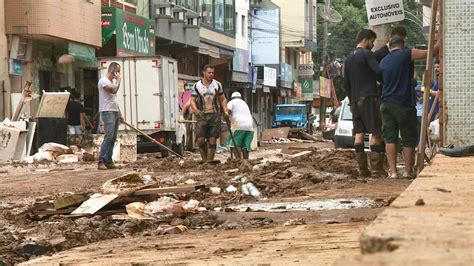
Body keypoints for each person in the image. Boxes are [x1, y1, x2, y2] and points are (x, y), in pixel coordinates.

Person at [379, 36, 439, 179]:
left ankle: (393, 172)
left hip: (386, 104)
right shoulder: (406, 54)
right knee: (408, 139)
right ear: (402, 45)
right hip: (403, 104)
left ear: (390, 47)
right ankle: (407, 171)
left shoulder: (384, 61)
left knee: (390, 139)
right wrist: (440, 38)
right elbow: (431, 52)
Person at [344, 29, 385, 177]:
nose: (373, 45)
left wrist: (351, 99)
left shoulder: (348, 59)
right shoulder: (367, 54)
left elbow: (346, 83)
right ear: (366, 40)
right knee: (376, 132)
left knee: (359, 133)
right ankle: (376, 170)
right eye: (372, 41)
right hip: (369, 97)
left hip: (354, 100)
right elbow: (379, 71)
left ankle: (362, 170)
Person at [190, 64, 229, 163]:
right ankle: (204, 158)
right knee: (200, 140)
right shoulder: (197, 86)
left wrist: (225, 111)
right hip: (202, 115)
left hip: (214, 115)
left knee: (212, 139)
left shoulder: (217, 85)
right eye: (209, 72)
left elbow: (223, 99)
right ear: (204, 73)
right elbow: (192, 100)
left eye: (212, 73)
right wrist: (196, 110)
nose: (211, 74)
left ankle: (209, 160)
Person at [97, 62, 124, 170]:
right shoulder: (103, 81)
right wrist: (118, 80)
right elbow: (114, 90)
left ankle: (108, 160)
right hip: (107, 112)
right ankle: (101, 161)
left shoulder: (111, 82)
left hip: (114, 111)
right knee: (108, 137)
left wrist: (120, 114)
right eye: (117, 72)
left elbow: (114, 100)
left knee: (113, 138)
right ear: (112, 71)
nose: (117, 74)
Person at [226, 92, 254, 160]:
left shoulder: (231, 102)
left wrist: (225, 116)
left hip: (238, 125)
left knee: (234, 144)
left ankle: (239, 160)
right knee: (245, 146)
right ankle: (245, 161)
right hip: (250, 127)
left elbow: (228, 112)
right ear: (240, 97)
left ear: (232, 97)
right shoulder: (244, 103)